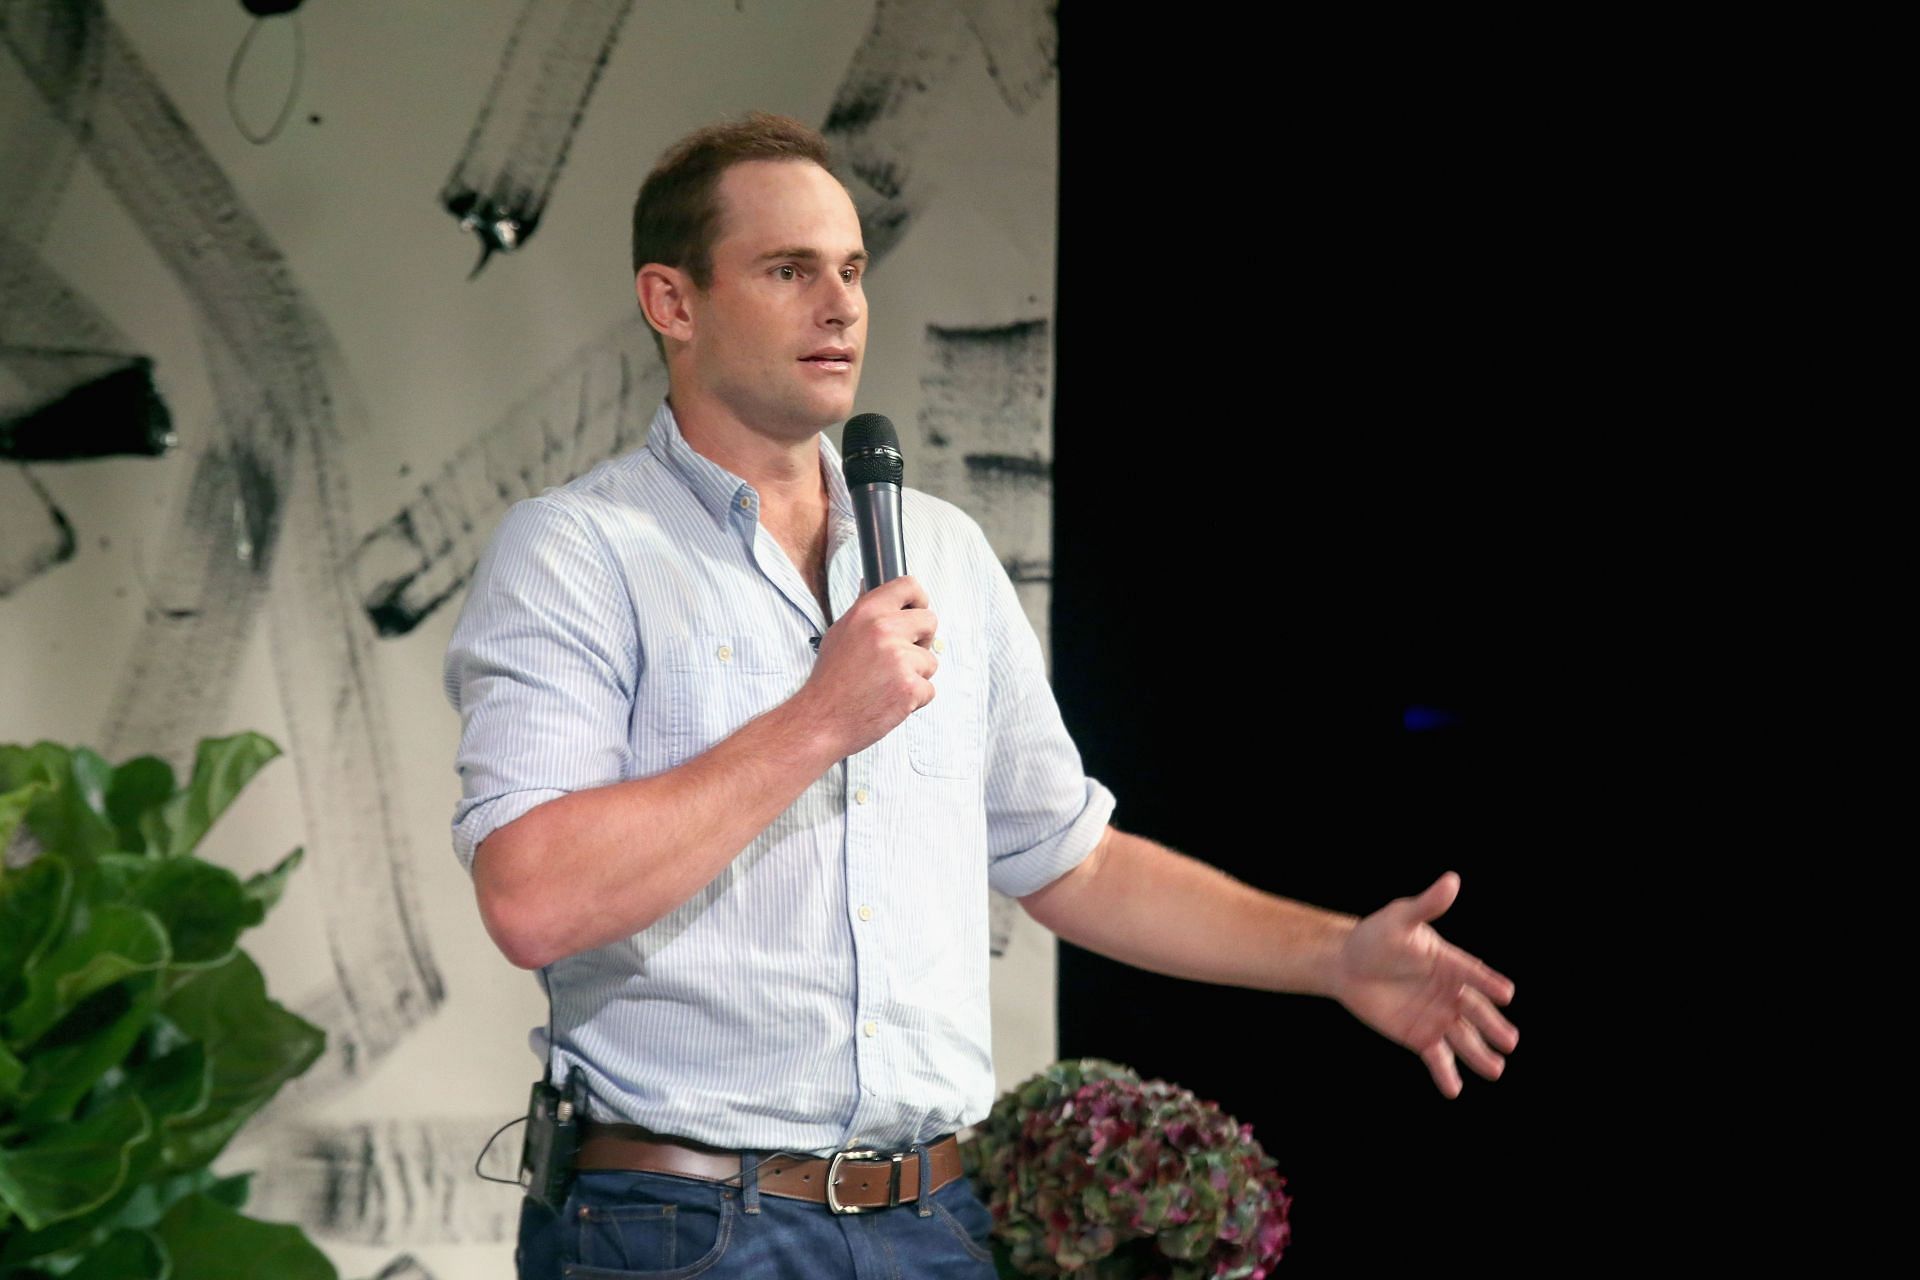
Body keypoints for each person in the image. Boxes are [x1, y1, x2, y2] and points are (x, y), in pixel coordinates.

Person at [444, 112, 1518, 1280]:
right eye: (789, 270)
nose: (841, 305)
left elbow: (1075, 859)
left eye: (851, 269)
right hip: (684, 1222)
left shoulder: (942, 554)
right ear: (673, 301)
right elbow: (532, 895)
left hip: (936, 1222)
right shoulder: (579, 550)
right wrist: (818, 719)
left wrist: (1333, 956)